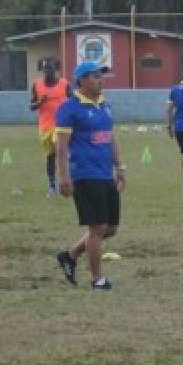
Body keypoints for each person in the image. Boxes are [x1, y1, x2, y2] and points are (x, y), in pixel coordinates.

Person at [54, 60, 125, 292]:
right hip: (85, 175)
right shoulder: (69, 108)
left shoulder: (104, 105)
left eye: (101, 76)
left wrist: (120, 167)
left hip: (105, 174)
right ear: (82, 80)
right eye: (95, 76)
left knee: (110, 229)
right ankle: (97, 280)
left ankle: (70, 256)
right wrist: (64, 177)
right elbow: (62, 147)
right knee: (97, 228)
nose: (100, 80)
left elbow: (110, 137)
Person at [30, 60, 71, 196]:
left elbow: (74, 101)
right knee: (51, 156)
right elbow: (31, 106)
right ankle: (52, 186)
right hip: (45, 127)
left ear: (55, 70)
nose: (47, 72)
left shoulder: (64, 84)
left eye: (50, 69)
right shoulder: (37, 85)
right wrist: (40, 102)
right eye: (45, 70)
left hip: (62, 125)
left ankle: (65, 182)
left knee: (62, 152)